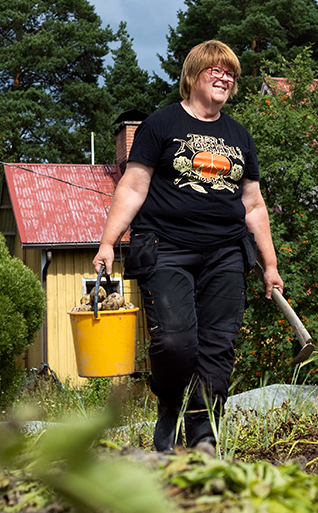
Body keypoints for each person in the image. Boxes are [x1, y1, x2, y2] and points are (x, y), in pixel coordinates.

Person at [93, 40, 283, 452]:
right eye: (215, 70)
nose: (224, 77)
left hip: (226, 253)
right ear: (193, 76)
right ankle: (169, 403)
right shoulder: (161, 125)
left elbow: (252, 204)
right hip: (166, 248)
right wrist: (108, 242)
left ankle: (203, 434)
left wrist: (270, 264)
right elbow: (133, 186)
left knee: (218, 345)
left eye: (230, 72)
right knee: (176, 342)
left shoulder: (238, 135)